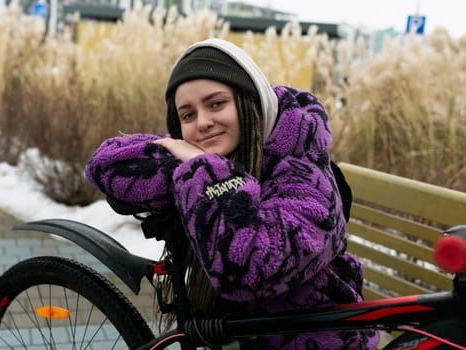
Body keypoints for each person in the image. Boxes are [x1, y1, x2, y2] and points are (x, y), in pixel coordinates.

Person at [85, 38, 380, 349]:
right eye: (187, 115)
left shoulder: (304, 174)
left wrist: (206, 169)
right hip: (239, 336)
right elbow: (105, 165)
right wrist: (195, 162)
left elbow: (248, 268)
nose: (203, 123)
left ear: (248, 101)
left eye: (216, 104)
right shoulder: (219, 155)